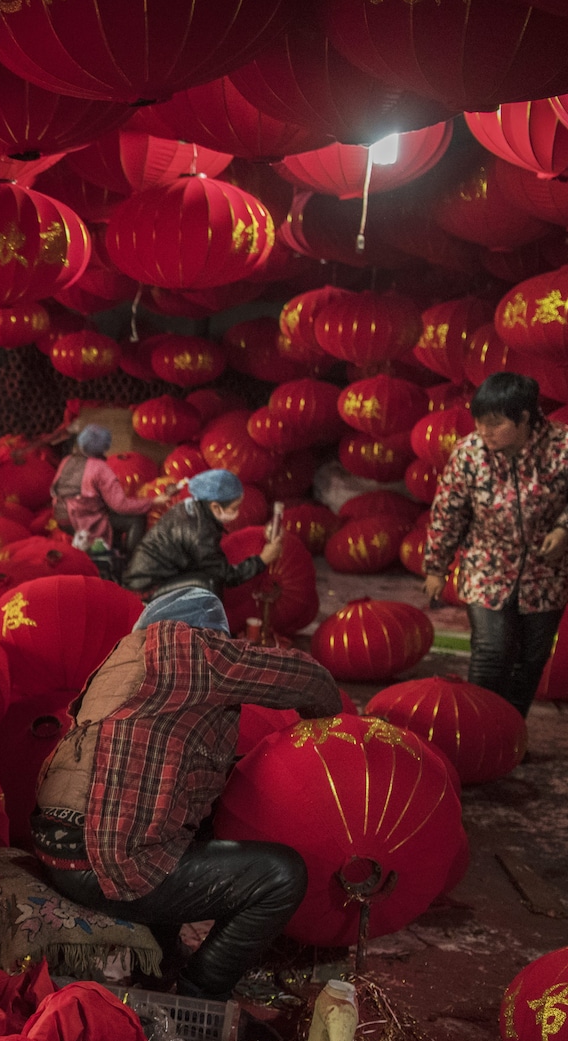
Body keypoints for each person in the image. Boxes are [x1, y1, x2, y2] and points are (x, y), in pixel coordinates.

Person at [28, 586, 342, 999]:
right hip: (106, 860)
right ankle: (200, 995)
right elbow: (310, 680)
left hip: (58, 846)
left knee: (187, 823)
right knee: (280, 876)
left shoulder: (124, 660)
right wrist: (330, 736)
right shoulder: (191, 650)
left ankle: (162, 964)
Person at [424, 372, 568, 718]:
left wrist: (566, 529)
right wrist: (436, 567)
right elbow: (448, 512)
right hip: (486, 564)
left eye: (494, 424)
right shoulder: (469, 454)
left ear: (524, 417)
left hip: (547, 572)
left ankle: (509, 733)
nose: (483, 432)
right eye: (479, 423)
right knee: (491, 651)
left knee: (530, 658)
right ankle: (478, 732)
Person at [122, 468, 283, 598]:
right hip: (144, 590)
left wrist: (261, 533)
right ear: (215, 507)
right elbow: (226, 576)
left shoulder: (192, 506)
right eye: (234, 508)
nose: (238, 513)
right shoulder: (200, 533)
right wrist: (262, 560)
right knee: (210, 583)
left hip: (146, 577)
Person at [49, 426, 155, 573]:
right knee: (136, 519)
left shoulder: (67, 460)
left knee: (113, 518)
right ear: (104, 446)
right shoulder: (99, 468)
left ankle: (111, 553)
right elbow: (120, 505)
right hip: (84, 519)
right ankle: (132, 565)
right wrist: (152, 501)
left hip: (62, 517)